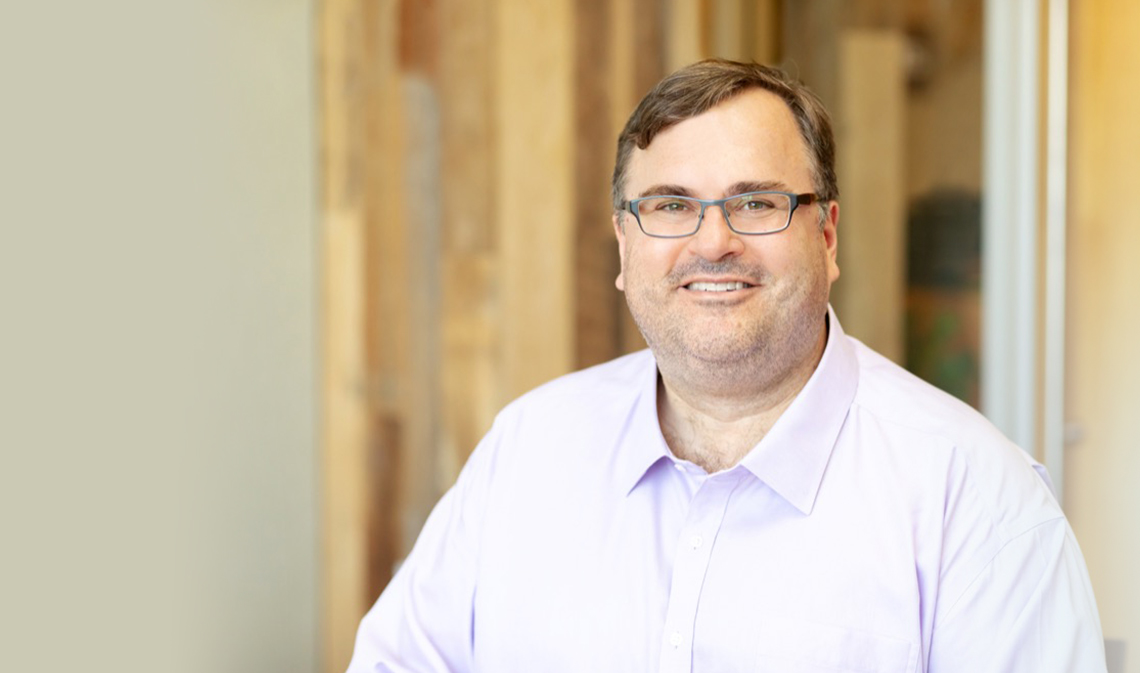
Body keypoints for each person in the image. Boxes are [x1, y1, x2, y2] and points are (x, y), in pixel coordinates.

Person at [347, 59, 1106, 673]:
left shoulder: (976, 500)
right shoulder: (528, 450)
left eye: (756, 202)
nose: (712, 243)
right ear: (624, 244)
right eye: (671, 205)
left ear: (828, 236)